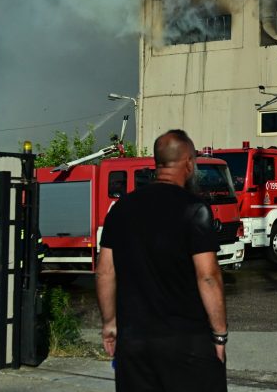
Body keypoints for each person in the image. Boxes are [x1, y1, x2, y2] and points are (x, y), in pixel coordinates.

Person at [96, 129, 228, 392]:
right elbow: (208, 276)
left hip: (134, 344)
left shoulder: (120, 209)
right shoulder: (194, 209)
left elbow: (104, 272)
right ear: (189, 163)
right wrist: (219, 334)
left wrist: (110, 325)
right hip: (187, 343)